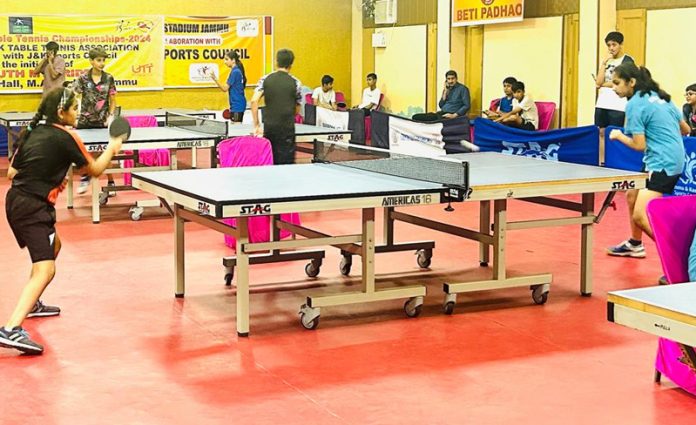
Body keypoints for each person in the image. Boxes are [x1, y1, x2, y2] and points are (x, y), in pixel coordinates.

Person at [0, 87, 125, 355]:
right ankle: (11, 329)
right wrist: (113, 146)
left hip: (15, 201)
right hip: (33, 207)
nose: (78, 112)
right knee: (46, 269)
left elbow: (12, 172)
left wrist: (51, 173)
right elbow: (94, 169)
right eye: (75, 108)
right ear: (61, 112)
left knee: (54, 246)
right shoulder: (67, 136)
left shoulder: (33, 132)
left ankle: (32, 303)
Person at [607, 63, 690, 259]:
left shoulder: (635, 104)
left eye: (617, 83)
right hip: (665, 157)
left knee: (640, 215)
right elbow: (685, 130)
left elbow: (638, 144)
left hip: (662, 162)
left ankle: (680, 258)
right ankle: (635, 244)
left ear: (632, 82)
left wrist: (618, 135)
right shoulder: (662, 97)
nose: (613, 87)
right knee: (631, 195)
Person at [72, 47, 118, 194]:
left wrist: (110, 116)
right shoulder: (83, 78)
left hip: (102, 122)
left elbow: (112, 100)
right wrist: (75, 113)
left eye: (103, 60)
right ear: (91, 61)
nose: (102, 63)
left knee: (103, 153)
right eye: (98, 60)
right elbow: (74, 96)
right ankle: (85, 177)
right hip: (85, 121)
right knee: (85, 153)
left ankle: (110, 182)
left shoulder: (109, 78)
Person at [250, 48, 302, 165]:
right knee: (286, 164)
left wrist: (257, 125)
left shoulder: (265, 79)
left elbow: (254, 101)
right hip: (287, 128)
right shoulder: (296, 83)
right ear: (291, 64)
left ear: (276, 62)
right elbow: (298, 107)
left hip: (270, 127)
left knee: (270, 161)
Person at [595, 31, 635, 164]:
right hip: (603, 101)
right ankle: (602, 160)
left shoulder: (627, 60)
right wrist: (603, 64)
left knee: (614, 132)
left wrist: (605, 84)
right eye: (609, 45)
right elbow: (598, 82)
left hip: (618, 102)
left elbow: (622, 82)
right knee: (601, 131)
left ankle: (615, 159)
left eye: (614, 44)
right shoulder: (607, 61)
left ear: (621, 45)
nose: (611, 48)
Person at [210, 50, 247, 124]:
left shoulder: (235, 72)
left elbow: (225, 88)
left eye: (227, 59)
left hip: (237, 105)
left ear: (233, 60)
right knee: (234, 130)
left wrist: (215, 79)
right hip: (236, 105)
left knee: (236, 131)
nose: (224, 62)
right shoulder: (236, 71)